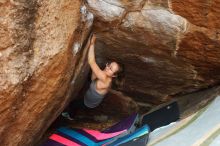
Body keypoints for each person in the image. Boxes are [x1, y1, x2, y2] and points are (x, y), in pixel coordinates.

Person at [62, 34, 122, 120]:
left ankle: (71, 116)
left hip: (89, 103)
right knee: (91, 77)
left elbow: (91, 61)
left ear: (114, 75)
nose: (107, 67)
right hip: (91, 95)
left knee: (74, 104)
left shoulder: (104, 79)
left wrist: (92, 43)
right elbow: (94, 76)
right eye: (109, 65)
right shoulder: (104, 76)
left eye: (110, 69)